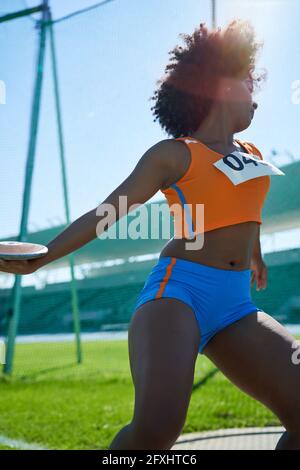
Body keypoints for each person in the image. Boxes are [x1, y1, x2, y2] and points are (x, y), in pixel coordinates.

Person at [1, 19, 299, 451]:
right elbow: (108, 211)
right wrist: (45, 256)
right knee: (157, 430)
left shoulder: (251, 153)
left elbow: (242, 211)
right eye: (248, 83)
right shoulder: (174, 154)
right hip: (178, 294)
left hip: (235, 304)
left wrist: (255, 254)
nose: (256, 98)